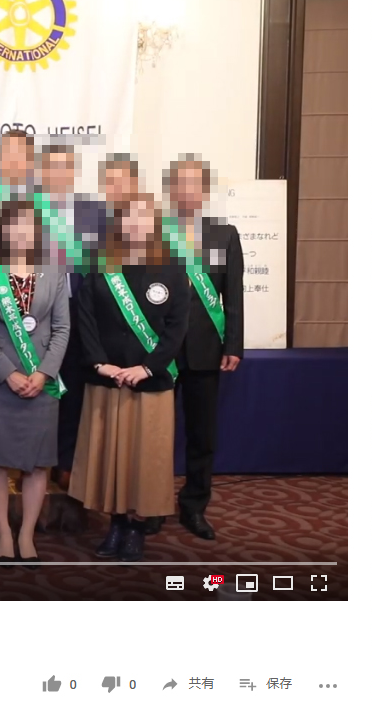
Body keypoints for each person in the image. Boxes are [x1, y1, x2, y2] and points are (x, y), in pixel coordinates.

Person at [70, 194, 189, 562]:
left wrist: (148, 368)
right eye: (129, 217)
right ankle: (116, 523)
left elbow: (177, 328)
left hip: (150, 381)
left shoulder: (171, 268)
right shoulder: (101, 265)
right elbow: (85, 318)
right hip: (108, 379)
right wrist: (99, 364)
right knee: (111, 456)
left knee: (145, 458)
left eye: (144, 217)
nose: (136, 224)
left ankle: (137, 526)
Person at [0, 200, 70, 567]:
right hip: (0, 381)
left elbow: (62, 328)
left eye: (28, 226)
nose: (21, 233)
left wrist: (43, 373)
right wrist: (8, 373)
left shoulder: (54, 271)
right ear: (3, 231)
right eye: (14, 226)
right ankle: (3, 531)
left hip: (42, 380)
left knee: (38, 463)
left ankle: (26, 532)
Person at [160, 156, 244, 540]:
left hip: (205, 349)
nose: (187, 192)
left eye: (195, 185)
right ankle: (152, 504)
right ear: (170, 190)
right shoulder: (154, 233)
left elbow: (233, 296)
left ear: (205, 191)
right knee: (156, 434)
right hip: (158, 351)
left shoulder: (224, 235)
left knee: (201, 435)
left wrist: (233, 344)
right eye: (180, 184)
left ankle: (194, 506)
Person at [39, 145, 109, 491]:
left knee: (73, 390)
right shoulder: (25, 211)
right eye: (51, 168)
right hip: (37, 315)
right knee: (40, 387)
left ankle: (66, 461)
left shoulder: (94, 213)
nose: (58, 175)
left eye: (64, 168)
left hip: (80, 313)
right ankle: (36, 460)